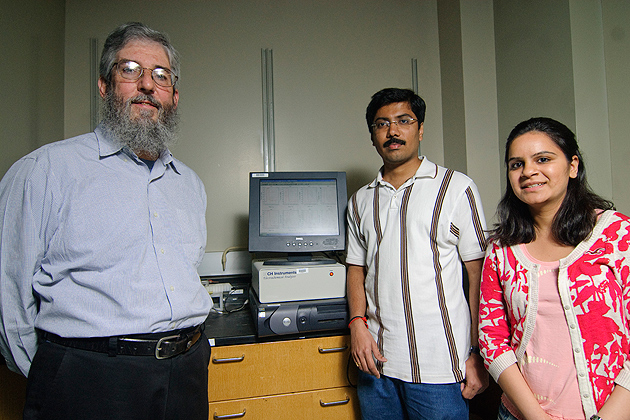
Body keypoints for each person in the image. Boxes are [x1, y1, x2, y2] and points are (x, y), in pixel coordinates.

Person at [0, 22, 212, 420]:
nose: (147, 84)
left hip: (185, 375)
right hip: (88, 382)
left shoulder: (190, 185)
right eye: (130, 69)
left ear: (174, 96)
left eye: (161, 76)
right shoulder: (45, 170)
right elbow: (8, 300)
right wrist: (55, 378)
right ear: (104, 85)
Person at [346, 87, 489, 419]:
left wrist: (478, 353)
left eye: (403, 121)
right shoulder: (360, 201)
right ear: (372, 136)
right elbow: (356, 269)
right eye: (382, 124)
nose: (393, 131)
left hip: (441, 368)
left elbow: (478, 276)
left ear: (420, 129)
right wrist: (356, 325)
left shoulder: (457, 188)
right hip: (376, 365)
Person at [478, 117, 630, 420]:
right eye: (516, 164)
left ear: (573, 166)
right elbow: (491, 340)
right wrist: (536, 417)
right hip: (521, 414)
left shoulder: (616, 234)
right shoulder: (501, 247)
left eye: (543, 159)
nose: (528, 171)